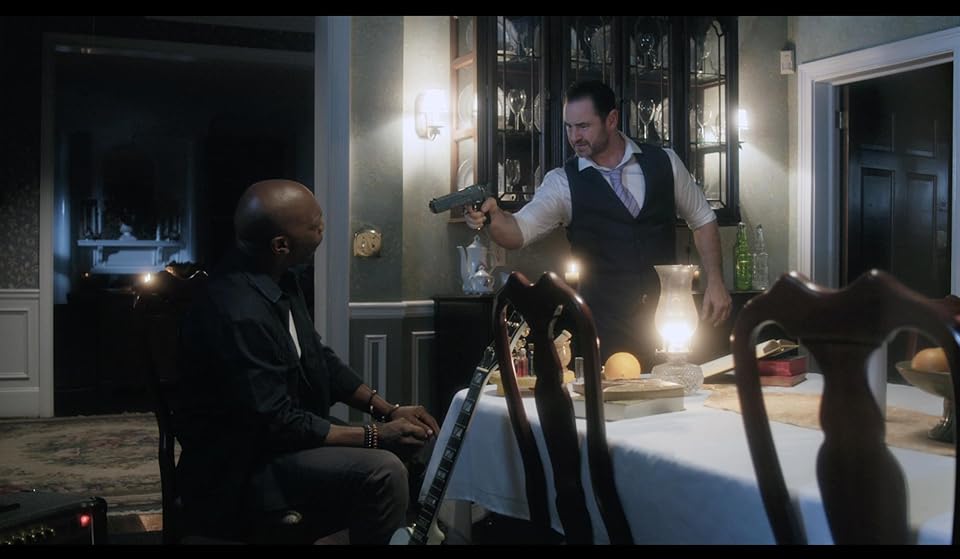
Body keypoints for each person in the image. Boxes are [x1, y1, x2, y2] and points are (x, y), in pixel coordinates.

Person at [174, 179, 440, 544]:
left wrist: (388, 410)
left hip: (280, 442)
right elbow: (277, 422)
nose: (323, 230)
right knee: (385, 470)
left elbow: (319, 360)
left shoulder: (281, 279)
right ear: (280, 245)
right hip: (241, 468)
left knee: (409, 446)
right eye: (315, 226)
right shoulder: (236, 310)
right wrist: (376, 436)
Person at [465, 80, 731, 371]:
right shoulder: (562, 182)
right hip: (601, 329)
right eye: (569, 127)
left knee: (673, 398)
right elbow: (518, 231)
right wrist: (493, 217)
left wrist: (715, 281)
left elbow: (703, 219)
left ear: (612, 120)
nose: (574, 137)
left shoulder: (665, 162)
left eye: (583, 126)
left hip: (669, 328)